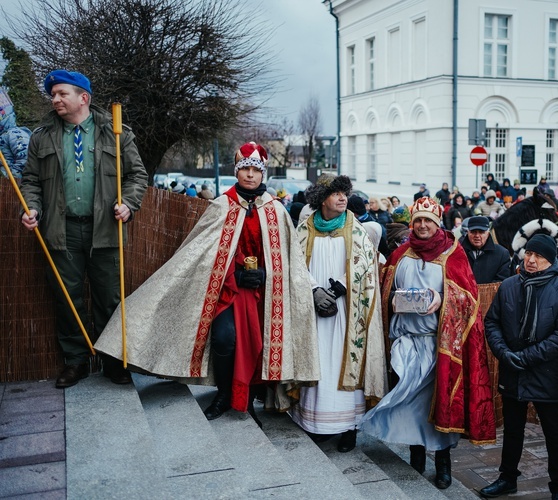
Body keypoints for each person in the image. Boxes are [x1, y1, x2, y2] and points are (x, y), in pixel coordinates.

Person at [96, 142, 320, 423]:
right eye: (244, 169)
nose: (250, 175)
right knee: (225, 339)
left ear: (263, 174)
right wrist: (234, 275)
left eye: (255, 170)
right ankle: (225, 395)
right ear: (236, 172)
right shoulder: (221, 206)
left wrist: (266, 275)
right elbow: (200, 256)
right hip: (228, 290)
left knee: (258, 343)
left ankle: (248, 400)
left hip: (265, 294)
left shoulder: (276, 211)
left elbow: (290, 262)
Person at [20, 70, 148, 388]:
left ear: (83, 98)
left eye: (62, 93)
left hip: (106, 229)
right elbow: (31, 180)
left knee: (109, 298)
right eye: (53, 94)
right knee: (67, 298)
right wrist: (31, 207)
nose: (55, 99)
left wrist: (129, 205)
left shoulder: (116, 133)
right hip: (60, 231)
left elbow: (137, 175)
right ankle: (75, 362)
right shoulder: (42, 135)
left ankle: (114, 363)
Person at [361, 196, 496, 489]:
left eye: (428, 221)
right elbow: (384, 291)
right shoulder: (401, 254)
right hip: (405, 342)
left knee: (439, 405)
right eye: (418, 220)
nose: (422, 225)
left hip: (438, 347)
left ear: (438, 224)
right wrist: (391, 302)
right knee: (411, 404)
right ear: (412, 223)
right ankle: (416, 456)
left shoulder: (453, 255)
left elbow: (469, 300)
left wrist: (443, 299)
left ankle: (443, 463)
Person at [291, 175, 387, 453]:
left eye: (345, 193)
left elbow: (367, 265)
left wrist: (340, 289)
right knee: (318, 359)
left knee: (345, 360)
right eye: (336, 194)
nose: (343, 198)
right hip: (313, 309)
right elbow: (294, 264)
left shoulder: (356, 229)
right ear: (322, 198)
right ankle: (317, 424)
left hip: (347, 310)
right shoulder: (305, 229)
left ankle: (349, 428)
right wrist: (314, 290)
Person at [480, 233, 558, 500]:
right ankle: (507, 478)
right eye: (529, 254)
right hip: (512, 369)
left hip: (546, 373)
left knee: (554, 434)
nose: (532, 260)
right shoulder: (509, 285)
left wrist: (527, 357)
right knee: (513, 429)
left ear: (551, 261)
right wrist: (503, 352)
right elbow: (492, 322)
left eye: (540, 257)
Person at [461, 216, 511, 284]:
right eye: (473, 232)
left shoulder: (502, 254)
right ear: (468, 232)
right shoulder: (459, 252)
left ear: (488, 233)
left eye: (481, 232)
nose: (477, 236)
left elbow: (502, 280)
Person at [0, 88, 31, 178]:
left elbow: (25, 157)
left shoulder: (15, 134)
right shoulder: (2, 135)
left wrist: (13, 176)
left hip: (16, 183)